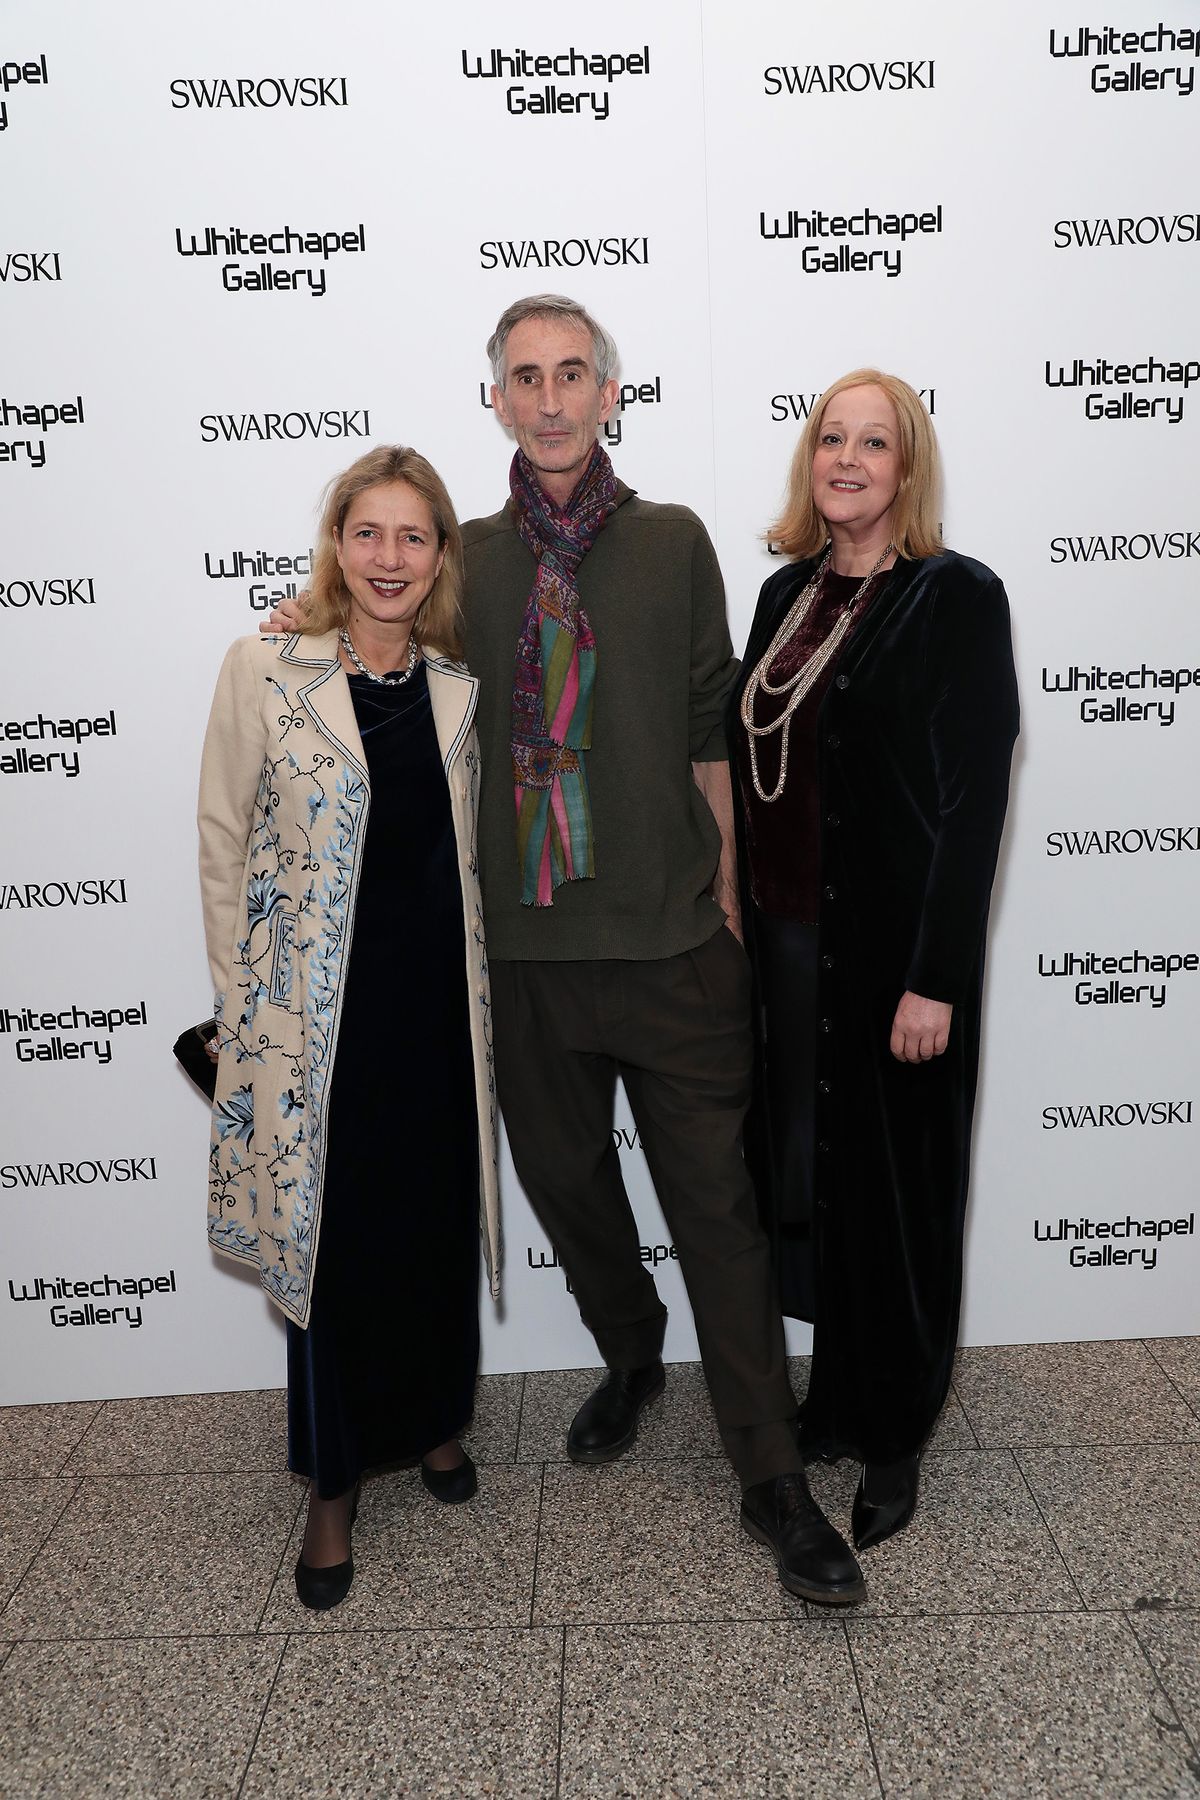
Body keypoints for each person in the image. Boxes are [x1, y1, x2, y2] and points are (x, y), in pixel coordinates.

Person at [266, 295, 865, 1606]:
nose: (549, 399)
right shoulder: (460, 560)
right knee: (564, 1184)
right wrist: (289, 636)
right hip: (522, 958)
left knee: (718, 1214)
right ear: (496, 401)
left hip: (670, 946)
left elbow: (713, 732)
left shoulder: (673, 543)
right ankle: (634, 1347)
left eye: (572, 375)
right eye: (524, 378)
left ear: (609, 395)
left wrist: (727, 910)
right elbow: (371, 645)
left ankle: (773, 1478)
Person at [199, 445, 500, 1611]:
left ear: (438, 559)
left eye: (412, 537)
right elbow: (222, 836)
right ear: (336, 544)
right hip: (312, 1024)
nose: (389, 558)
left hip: (432, 1014)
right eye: (367, 534)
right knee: (329, 1251)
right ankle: (331, 1484)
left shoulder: (455, 691)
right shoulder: (266, 669)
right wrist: (240, 1007)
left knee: (428, 1226)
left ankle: (427, 1423)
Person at [729, 370, 1019, 1551]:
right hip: (791, 952)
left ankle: (896, 1432)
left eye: (875, 442)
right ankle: (839, 1400)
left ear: (908, 468)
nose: (847, 459)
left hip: (896, 960)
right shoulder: (783, 594)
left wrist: (937, 976)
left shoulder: (955, 598)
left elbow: (973, 801)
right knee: (822, 1182)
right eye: (830, 439)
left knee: (902, 1197)